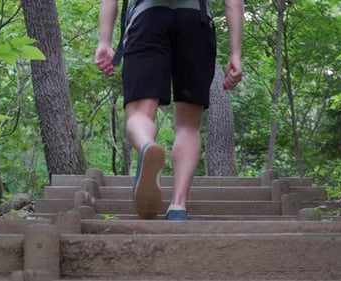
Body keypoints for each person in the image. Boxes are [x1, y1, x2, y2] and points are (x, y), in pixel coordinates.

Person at [95, 0, 244, 220]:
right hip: (196, 22)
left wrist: (104, 41)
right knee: (188, 127)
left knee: (139, 114)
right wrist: (235, 54)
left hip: (147, 19)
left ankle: (148, 147)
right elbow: (234, 2)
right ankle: (178, 206)